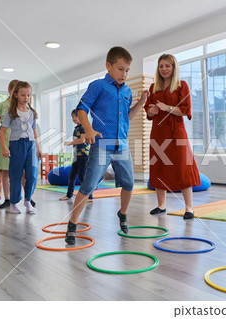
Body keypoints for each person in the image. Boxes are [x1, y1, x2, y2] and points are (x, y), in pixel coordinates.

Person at [64, 46, 149, 244]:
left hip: (122, 146)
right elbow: (82, 110)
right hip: (102, 144)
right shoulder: (98, 86)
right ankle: (72, 224)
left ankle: (123, 213)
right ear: (108, 66)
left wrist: (141, 103)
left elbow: (127, 118)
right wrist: (89, 130)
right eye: (120, 69)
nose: (125, 74)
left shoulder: (127, 90)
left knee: (129, 184)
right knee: (88, 185)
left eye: (127, 70)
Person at [144, 54, 200, 219]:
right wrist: (152, 111)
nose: (164, 69)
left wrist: (166, 107)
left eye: (167, 66)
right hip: (158, 133)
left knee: (183, 167)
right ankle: (161, 206)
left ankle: (189, 208)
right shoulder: (154, 87)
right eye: (161, 66)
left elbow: (185, 110)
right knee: (158, 167)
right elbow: (149, 111)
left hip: (176, 132)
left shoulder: (182, 85)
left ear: (174, 68)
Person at [0, 81, 42, 214]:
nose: (26, 98)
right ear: (16, 95)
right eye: (23, 95)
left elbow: (34, 131)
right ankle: (13, 203)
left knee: (32, 175)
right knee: (16, 175)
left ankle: (27, 200)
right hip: (16, 145)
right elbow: (2, 130)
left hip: (31, 145)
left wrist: (38, 148)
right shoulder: (10, 112)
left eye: (28, 95)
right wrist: (5, 147)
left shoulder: (32, 113)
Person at [0, 79, 18, 207]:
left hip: (19, 140)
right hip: (4, 139)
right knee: (5, 172)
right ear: (9, 91)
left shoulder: (22, 105)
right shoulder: (1, 106)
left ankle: (24, 198)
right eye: (14, 91)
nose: (16, 94)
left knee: (20, 172)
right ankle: (7, 199)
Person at [59, 109, 93, 202]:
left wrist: (69, 143)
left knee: (82, 176)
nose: (74, 118)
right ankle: (69, 195)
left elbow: (82, 140)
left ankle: (89, 196)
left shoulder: (83, 127)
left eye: (76, 116)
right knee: (71, 176)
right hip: (77, 156)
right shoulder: (77, 128)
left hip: (83, 156)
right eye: (72, 116)